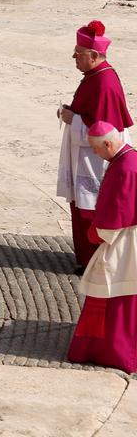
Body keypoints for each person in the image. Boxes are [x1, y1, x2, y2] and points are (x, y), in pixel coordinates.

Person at [57, 20, 133, 273]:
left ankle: (95, 262)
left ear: (93, 55)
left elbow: (105, 131)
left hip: (95, 158)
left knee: (91, 208)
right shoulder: (96, 75)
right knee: (82, 206)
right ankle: (88, 258)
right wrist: (74, 113)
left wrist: (73, 119)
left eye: (78, 54)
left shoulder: (105, 83)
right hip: (87, 155)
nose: (73, 57)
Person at [67, 121, 137, 373]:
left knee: (114, 295)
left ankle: (113, 352)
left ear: (108, 143)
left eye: (96, 150)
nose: (96, 154)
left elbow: (119, 210)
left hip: (124, 241)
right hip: (125, 236)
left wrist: (96, 232)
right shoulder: (128, 159)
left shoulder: (125, 168)